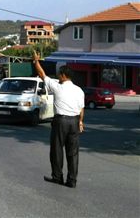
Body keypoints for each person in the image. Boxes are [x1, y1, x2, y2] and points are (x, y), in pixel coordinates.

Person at [33, 50, 85, 188]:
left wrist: (36, 61)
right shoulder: (79, 90)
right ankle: (72, 181)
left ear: (63, 75)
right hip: (74, 122)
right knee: (73, 153)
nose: (57, 76)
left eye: (59, 74)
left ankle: (57, 177)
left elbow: (41, 74)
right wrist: (80, 122)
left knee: (57, 150)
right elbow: (81, 108)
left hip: (61, 121)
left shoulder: (57, 86)